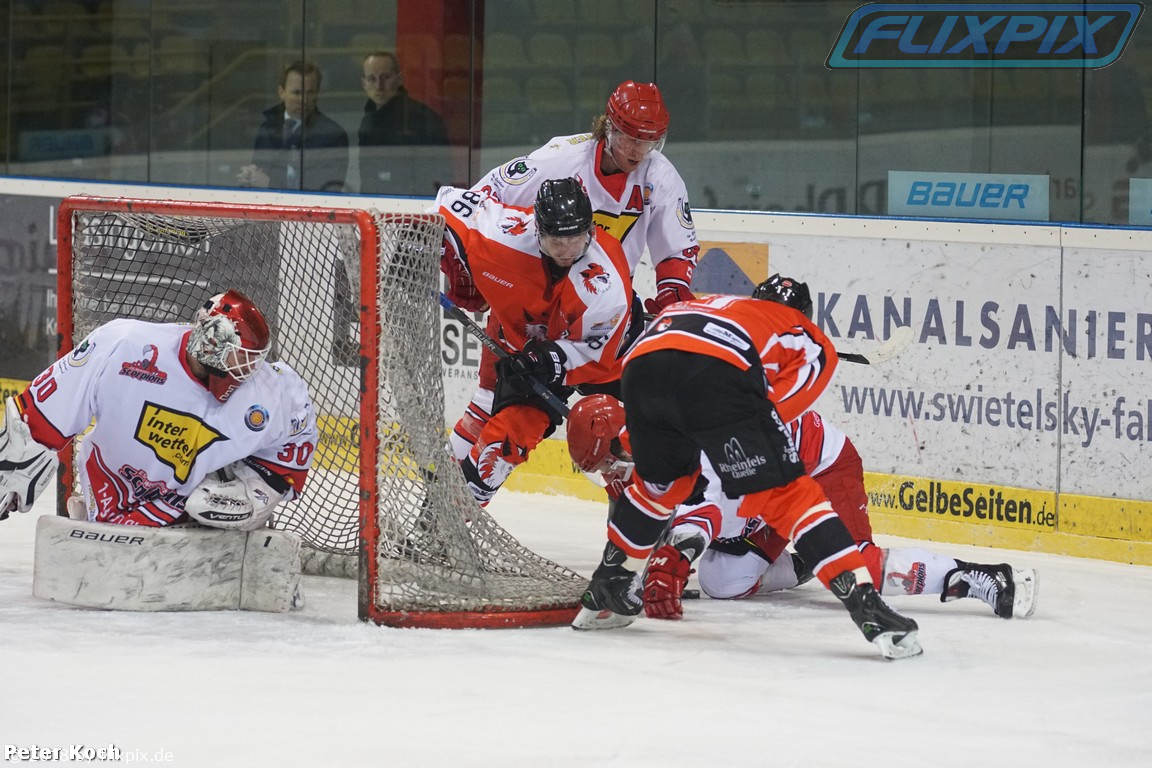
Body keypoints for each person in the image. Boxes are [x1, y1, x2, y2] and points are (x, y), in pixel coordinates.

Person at [570, 276, 923, 660]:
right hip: (714, 373)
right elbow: (773, 412)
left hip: (644, 362)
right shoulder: (814, 343)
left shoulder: (723, 305)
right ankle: (868, 608)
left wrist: (662, 443)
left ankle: (608, 587)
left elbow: (673, 362)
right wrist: (733, 446)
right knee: (790, 497)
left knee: (658, 487)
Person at [568, 396, 1040, 622]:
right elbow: (651, 520)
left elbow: (703, 509)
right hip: (759, 480)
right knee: (722, 582)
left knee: (857, 566)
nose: (608, 472)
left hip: (817, 466)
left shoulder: (680, 436)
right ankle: (804, 562)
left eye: (609, 462)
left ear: (623, 441)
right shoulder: (634, 449)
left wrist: (676, 556)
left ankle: (985, 577)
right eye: (597, 467)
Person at [449, 80, 698, 465]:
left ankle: (632, 500)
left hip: (602, 317)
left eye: (650, 142)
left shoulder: (660, 177)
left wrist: (672, 294)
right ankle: (445, 493)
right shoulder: (558, 160)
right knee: (491, 405)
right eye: (631, 138)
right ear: (608, 127)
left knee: (622, 430)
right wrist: (468, 269)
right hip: (529, 306)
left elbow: (677, 250)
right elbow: (482, 201)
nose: (639, 151)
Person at [0, 289, 318, 531]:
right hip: (111, 503)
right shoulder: (123, 344)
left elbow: (296, 435)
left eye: (253, 359)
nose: (249, 369)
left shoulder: (271, 390)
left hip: (194, 522)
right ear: (211, 345)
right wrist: (13, 467)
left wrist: (257, 490)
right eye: (241, 357)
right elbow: (37, 417)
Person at [435, 178, 634, 505]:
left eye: (577, 240)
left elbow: (594, 353)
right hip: (525, 345)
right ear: (538, 232)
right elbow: (447, 204)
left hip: (609, 353)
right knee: (503, 444)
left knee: (632, 438)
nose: (567, 251)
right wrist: (419, 245)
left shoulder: (605, 283)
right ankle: (442, 518)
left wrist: (546, 360)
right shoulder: (504, 234)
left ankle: (652, 515)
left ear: (591, 231)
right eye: (557, 242)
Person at [237, 60, 349, 192]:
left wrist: (270, 183)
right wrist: (249, 177)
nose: (304, 100)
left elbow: (326, 188)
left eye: (310, 93)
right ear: (281, 92)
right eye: (297, 93)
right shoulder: (267, 127)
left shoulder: (333, 135)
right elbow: (259, 170)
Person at [358, 50, 451, 195]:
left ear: (399, 79)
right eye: (372, 79)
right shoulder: (367, 121)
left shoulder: (424, 119)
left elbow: (437, 176)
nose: (379, 86)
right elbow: (367, 176)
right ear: (364, 84)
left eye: (386, 77)